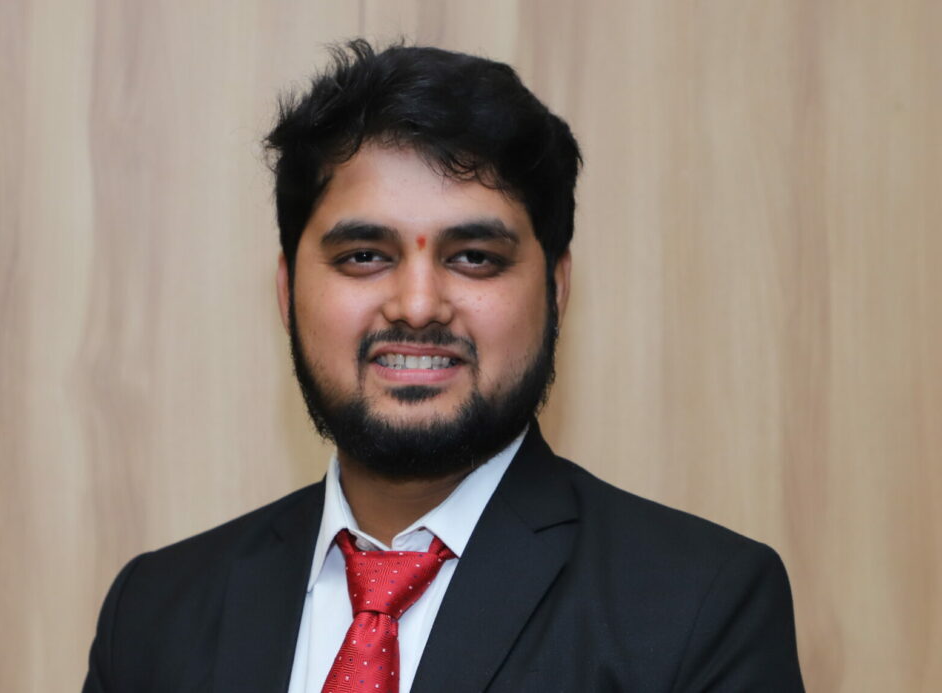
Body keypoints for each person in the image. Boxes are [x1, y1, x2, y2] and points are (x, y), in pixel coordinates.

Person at [83, 40, 805, 692]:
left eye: (475, 258)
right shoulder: (152, 614)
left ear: (556, 290)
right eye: (364, 255)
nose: (418, 305)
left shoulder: (700, 606)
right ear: (287, 289)